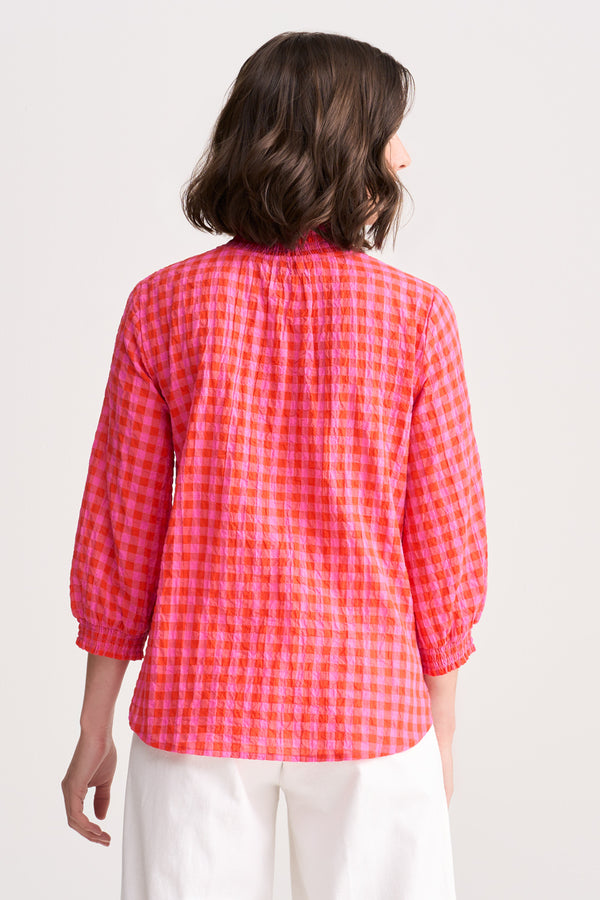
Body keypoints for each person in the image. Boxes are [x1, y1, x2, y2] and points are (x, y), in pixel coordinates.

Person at [61, 30, 487, 900]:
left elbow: (120, 530)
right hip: (370, 702)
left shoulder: (162, 306)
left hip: (198, 701)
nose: (403, 156)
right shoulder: (416, 317)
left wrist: (94, 721)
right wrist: (441, 726)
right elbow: (444, 539)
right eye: (389, 131)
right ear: (341, 142)